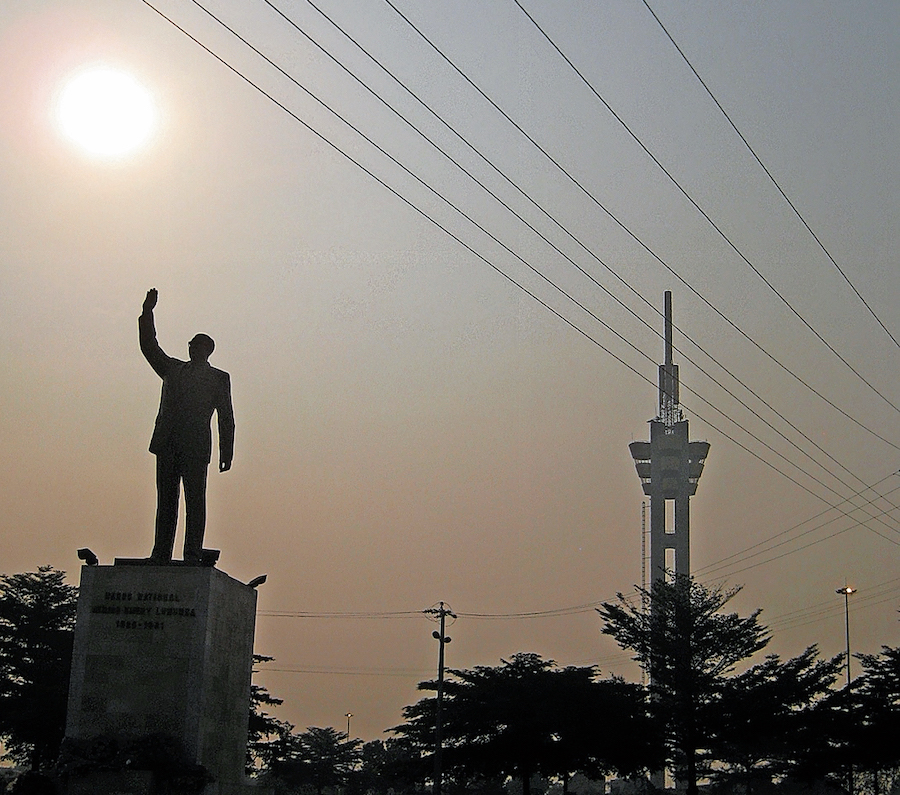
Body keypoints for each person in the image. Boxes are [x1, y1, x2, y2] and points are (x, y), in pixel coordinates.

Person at [139, 288, 234, 564]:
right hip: (167, 444)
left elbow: (226, 417)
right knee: (166, 502)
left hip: (195, 448)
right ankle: (160, 553)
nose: (192, 348)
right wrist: (148, 313)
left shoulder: (218, 379)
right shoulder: (171, 369)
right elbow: (149, 347)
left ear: (208, 350)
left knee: (195, 502)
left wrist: (226, 452)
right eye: (191, 345)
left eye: (198, 346)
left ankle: (192, 553)